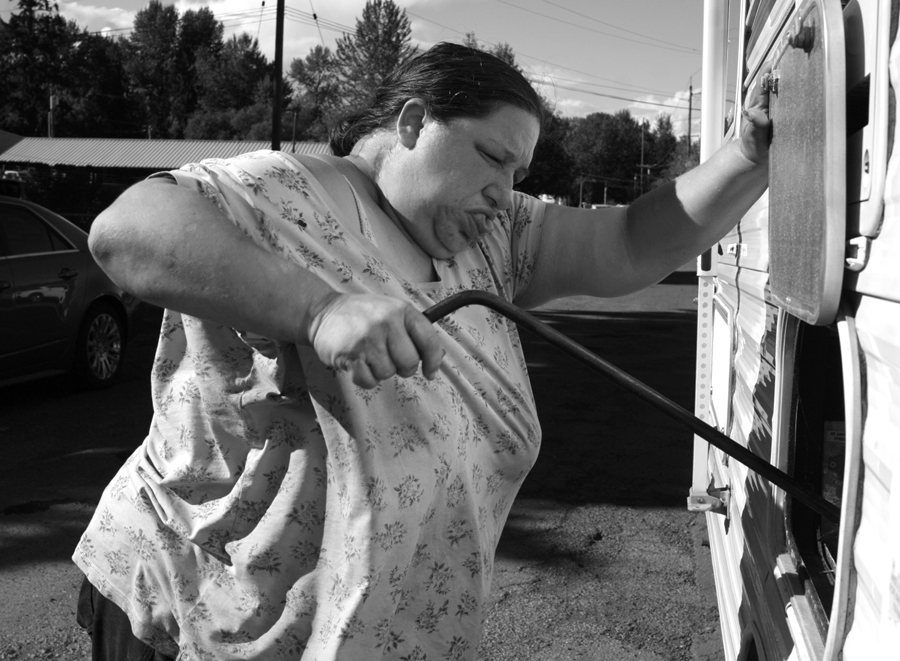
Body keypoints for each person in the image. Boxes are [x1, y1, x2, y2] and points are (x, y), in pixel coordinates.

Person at [74, 42, 770, 661]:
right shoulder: (286, 188)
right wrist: (320, 309)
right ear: (411, 124)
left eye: (519, 171)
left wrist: (747, 157)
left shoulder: (490, 239)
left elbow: (628, 241)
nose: (505, 190)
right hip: (199, 613)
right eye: (493, 156)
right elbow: (126, 230)